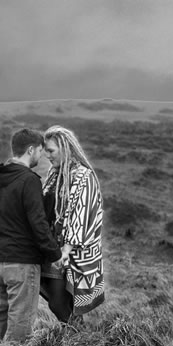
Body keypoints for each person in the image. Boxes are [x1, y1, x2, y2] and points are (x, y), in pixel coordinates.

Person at [0, 128, 64, 342]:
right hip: (22, 261)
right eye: (39, 150)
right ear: (30, 150)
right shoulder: (29, 181)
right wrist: (55, 255)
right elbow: (38, 224)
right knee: (21, 314)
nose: (42, 155)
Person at [40, 125, 105, 322]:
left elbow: (82, 214)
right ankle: (75, 341)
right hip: (53, 248)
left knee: (58, 301)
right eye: (46, 152)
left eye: (51, 151)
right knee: (56, 299)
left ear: (65, 147)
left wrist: (66, 250)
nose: (47, 156)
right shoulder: (53, 174)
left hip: (71, 253)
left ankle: (78, 340)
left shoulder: (83, 176)